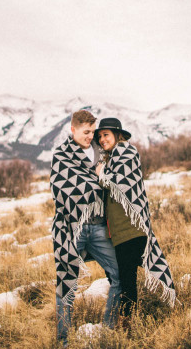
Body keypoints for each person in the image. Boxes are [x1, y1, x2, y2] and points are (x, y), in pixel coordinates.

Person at [94, 117, 176, 326]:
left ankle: (127, 322)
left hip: (131, 228)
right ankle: (132, 318)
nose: (102, 140)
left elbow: (117, 182)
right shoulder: (111, 160)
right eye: (100, 136)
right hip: (119, 232)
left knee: (127, 278)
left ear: (117, 135)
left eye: (106, 135)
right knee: (124, 277)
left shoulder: (126, 153)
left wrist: (101, 174)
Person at [50, 109, 121, 344]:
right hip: (73, 228)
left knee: (119, 275)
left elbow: (115, 177)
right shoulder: (61, 155)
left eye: (93, 132)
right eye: (86, 132)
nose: (90, 136)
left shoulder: (101, 152)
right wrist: (96, 183)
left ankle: (107, 331)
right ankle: (63, 340)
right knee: (66, 283)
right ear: (73, 130)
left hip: (100, 227)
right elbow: (59, 188)